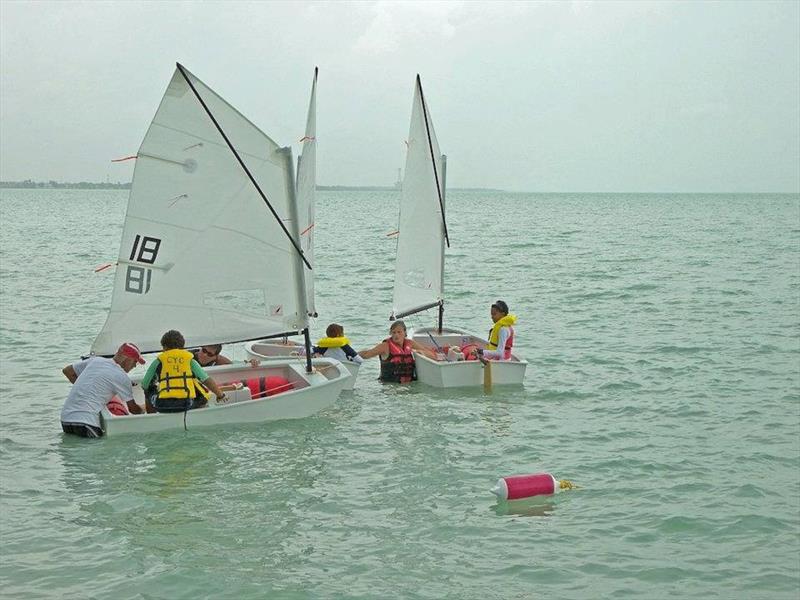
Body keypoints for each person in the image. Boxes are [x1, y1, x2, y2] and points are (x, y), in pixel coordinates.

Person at [60, 342, 146, 438]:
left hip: (66, 418)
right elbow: (134, 410)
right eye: (135, 362)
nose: (134, 366)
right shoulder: (121, 376)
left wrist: (88, 390)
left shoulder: (96, 361)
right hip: (86, 422)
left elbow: (67, 371)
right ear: (127, 359)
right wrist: (147, 407)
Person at [141, 330, 227, 413]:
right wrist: (220, 395)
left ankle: (151, 416)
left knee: (148, 389)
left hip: (163, 405)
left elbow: (144, 384)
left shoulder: (158, 361)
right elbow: (206, 380)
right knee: (200, 390)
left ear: (164, 347)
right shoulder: (190, 360)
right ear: (182, 347)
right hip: (187, 404)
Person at [358, 320, 438, 383]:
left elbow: (433, 355)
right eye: (394, 332)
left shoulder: (410, 343)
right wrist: (351, 354)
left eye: (399, 332)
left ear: (405, 333)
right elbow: (366, 354)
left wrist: (423, 353)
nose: (396, 335)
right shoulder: (385, 346)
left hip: (408, 386)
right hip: (390, 386)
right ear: (390, 333)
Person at [192, 343, 260, 368]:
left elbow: (236, 365)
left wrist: (250, 362)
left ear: (215, 357)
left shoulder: (219, 360)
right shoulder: (188, 356)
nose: (204, 355)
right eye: (204, 350)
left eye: (210, 354)